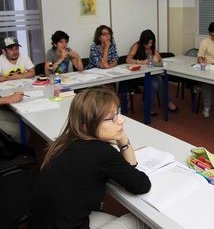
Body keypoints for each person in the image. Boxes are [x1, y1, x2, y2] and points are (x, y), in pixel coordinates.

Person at [30, 88, 151, 229]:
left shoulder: (65, 141)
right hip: (67, 224)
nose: (121, 120)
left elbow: (126, 171)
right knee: (142, 221)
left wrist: (120, 136)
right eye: (112, 118)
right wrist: (123, 140)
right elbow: (141, 185)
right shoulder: (101, 152)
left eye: (118, 112)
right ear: (86, 126)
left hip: (44, 223)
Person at [126, 29, 178, 113]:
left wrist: (156, 57)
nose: (150, 45)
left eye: (151, 43)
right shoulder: (137, 46)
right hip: (138, 75)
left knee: (160, 79)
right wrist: (141, 62)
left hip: (150, 73)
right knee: (154, 84)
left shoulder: (152, 48)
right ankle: (148, 107)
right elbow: (128, 60)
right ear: (143, 41)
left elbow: (159, 59)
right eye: (148, 43)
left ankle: (168, 102)